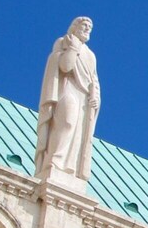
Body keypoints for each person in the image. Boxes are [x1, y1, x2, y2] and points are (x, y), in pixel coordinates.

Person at [34, 17, 100, 180]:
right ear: (75, 27)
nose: (87, 30)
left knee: (78, 133)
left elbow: (94, 80)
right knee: (67, 122)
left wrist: (95, 97)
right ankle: (55, 162)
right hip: (67, 89)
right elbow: (65, 66)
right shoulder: (64, 42)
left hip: (83, 97)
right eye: (84, 26)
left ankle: (68, 167)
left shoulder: (91, 55)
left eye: (89, 28)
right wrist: (73, 48)